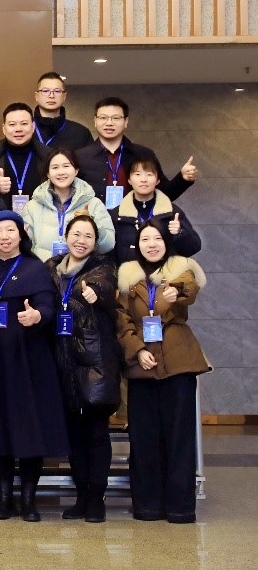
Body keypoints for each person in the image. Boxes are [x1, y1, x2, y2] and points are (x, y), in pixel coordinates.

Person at [0, 210, 69, 522]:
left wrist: (37, 316)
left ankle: (28, 500)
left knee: (31, 427)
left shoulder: (34, 268)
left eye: (10, 230)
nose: (4, 236)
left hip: (29, 360)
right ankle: (3, 499)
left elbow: (48, 307)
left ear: (20, 234)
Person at [115, 220, 209, 524]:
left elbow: (190, 289)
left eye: (157, 238)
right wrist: (137, 350)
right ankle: (147, 506)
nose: (151, 244)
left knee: (179, 437)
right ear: (137, 245)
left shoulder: (179, 268)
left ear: (166, 243)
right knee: (143, 438)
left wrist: (176, 292)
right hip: (142, 366)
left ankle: (180, 508)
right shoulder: (128, 277)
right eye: (145, 239)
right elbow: (121, 321)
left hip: (178, 361)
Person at [47, 214, 121, 523]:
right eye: (76, 234)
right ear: (66, 237)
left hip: (95, 362)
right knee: (74, 436)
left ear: (95, 242)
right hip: (62, 362)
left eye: (88, 236)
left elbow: (103, 288)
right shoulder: (51, 269)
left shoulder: (103, 268)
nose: (81, 241)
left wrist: (94, 294)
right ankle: (81, 497)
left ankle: (96, 498)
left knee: (96, 432)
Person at [77, 96, 197, 208]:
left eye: (116, 118)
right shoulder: (80, 157)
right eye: (103, 118)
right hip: (94, 222)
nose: (109, 123)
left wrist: (183, 178)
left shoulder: (144, 154)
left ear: (126, 121)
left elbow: (165, 194)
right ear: (95, 121)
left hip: (136, 221)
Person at [21, 148, 116, 261]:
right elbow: (24, 248)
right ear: (48, 173)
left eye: (66, 166)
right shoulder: (32, 206)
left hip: (80, 270)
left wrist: (92, 221)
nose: (61, 172)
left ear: (76, 170)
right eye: (55, 167)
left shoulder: (94, 204)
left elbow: (107, 246)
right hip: (42, 269)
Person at [110, 157, 202, 265]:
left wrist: (179, 233)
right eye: (138, 174)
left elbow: (193, 248)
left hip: (165, 273)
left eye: (149, 174)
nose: (143, 179)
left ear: (158, 180)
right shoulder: (117, 215)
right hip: (129, 274)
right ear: (129, 180)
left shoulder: (172, 212)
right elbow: (107, 254)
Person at [0, 102, 53, 210]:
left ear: (33, 126)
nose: (18, 129)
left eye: (24, 124)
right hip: (2, 218)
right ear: (4, 128)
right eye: (12, 124)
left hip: (40, 217)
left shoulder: (49, 157)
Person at [31, 72, 93, 151]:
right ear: (36, 96)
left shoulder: (81, 133)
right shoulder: (23, 129)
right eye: (45, 91)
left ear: (64, 96)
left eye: (57, 91)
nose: (51, 96)